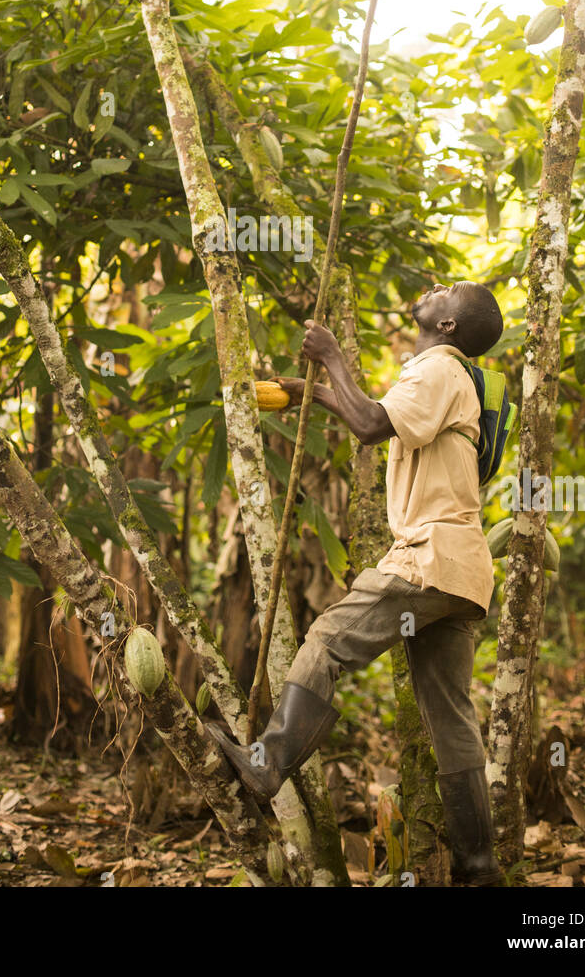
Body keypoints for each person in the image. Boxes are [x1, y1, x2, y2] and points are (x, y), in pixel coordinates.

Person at [204, 280, 505, 886]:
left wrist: (333, 356)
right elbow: (382, 418)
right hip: (462, 571)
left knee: (327, 639)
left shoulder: (439, 369)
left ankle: (267, 765)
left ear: (448, 325)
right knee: (449, 717)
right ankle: (479, 867)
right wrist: (309, 392)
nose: (434, 289)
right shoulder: (445, 376)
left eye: (447, 291)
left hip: (427, 555)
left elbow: (371, 424)